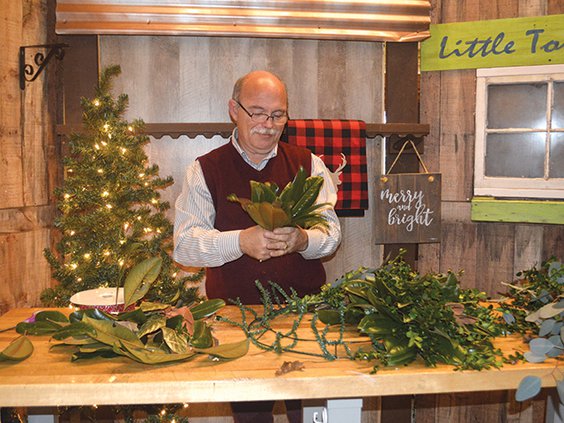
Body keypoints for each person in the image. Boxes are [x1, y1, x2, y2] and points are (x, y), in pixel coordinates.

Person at [173, 70, 341, 422]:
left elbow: (331, 236)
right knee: (251, 417)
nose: (268, 124)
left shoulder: (309, 165)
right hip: (237, 320)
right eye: (257, 112)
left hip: (306, 315)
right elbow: (185, 246)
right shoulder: (205, 170)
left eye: (278, 114)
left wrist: (302, 240)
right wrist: (239, 241)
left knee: (313, 414)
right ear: (234, 110)